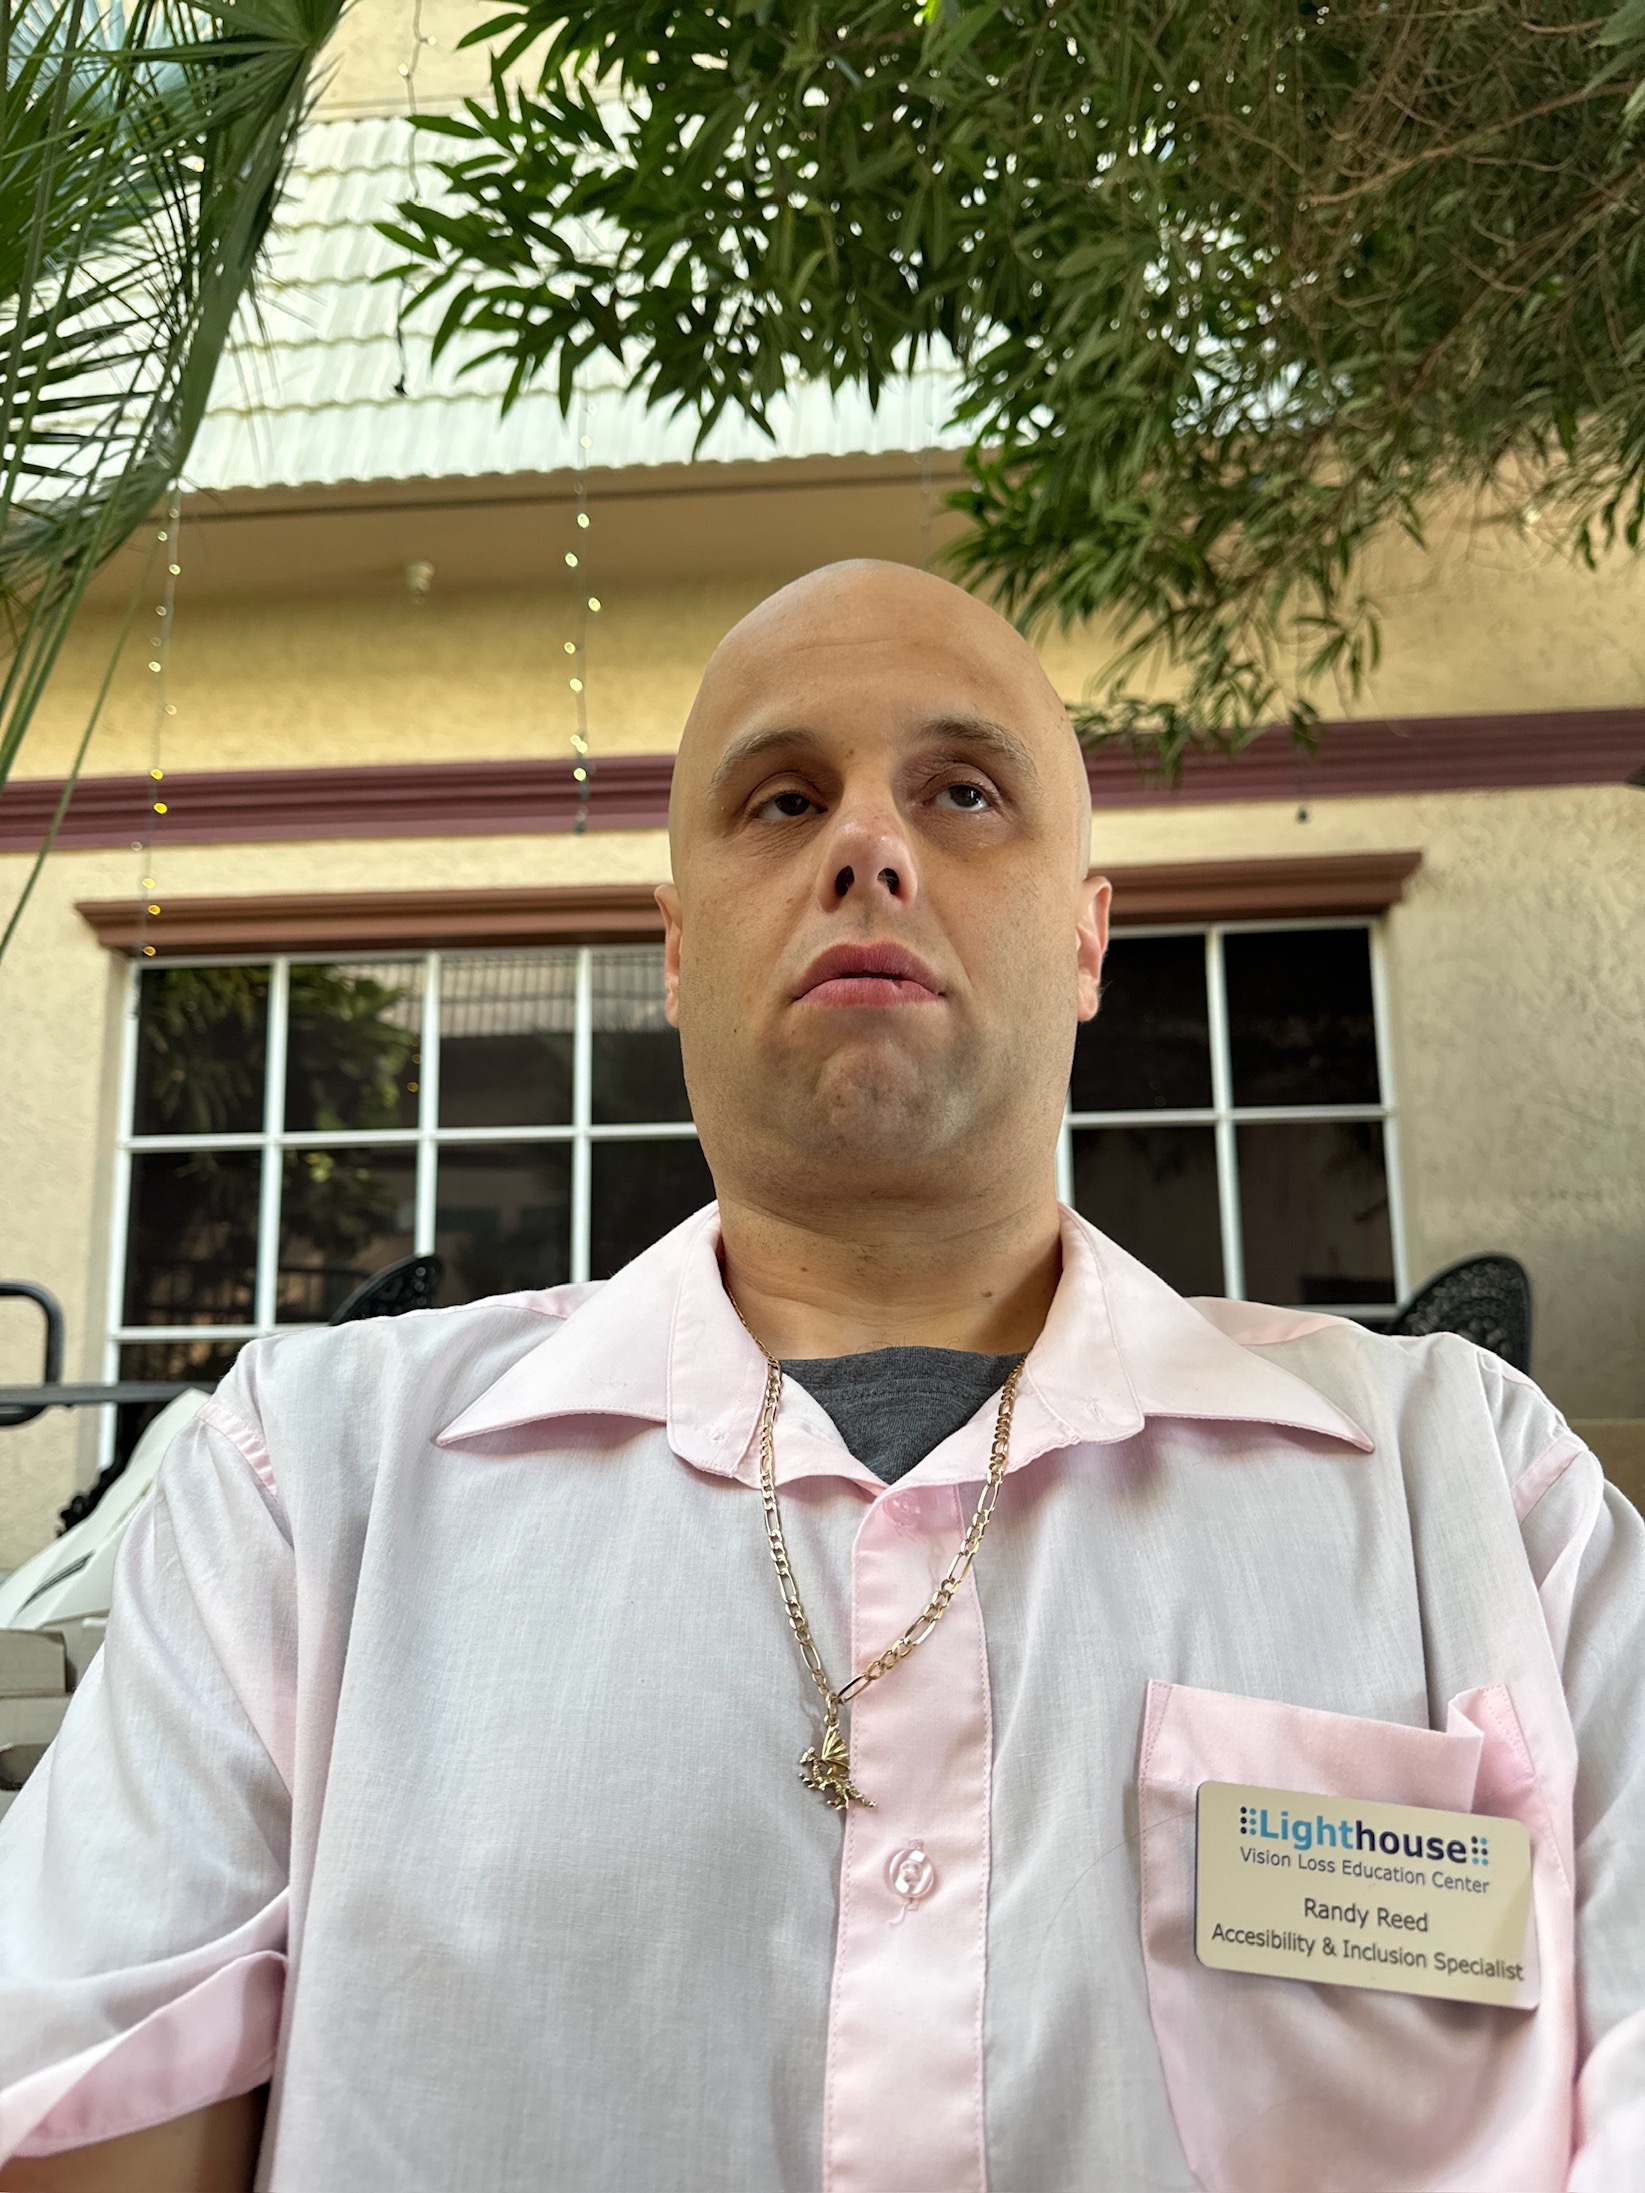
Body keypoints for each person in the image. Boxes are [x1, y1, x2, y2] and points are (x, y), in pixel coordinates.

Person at [1, 562, 1640, 2193]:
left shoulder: (1478, 1489)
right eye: (783, 801)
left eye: (964, 791)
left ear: (1084, 939)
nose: (870, 845)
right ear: (674, 943)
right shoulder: (305, 1487)